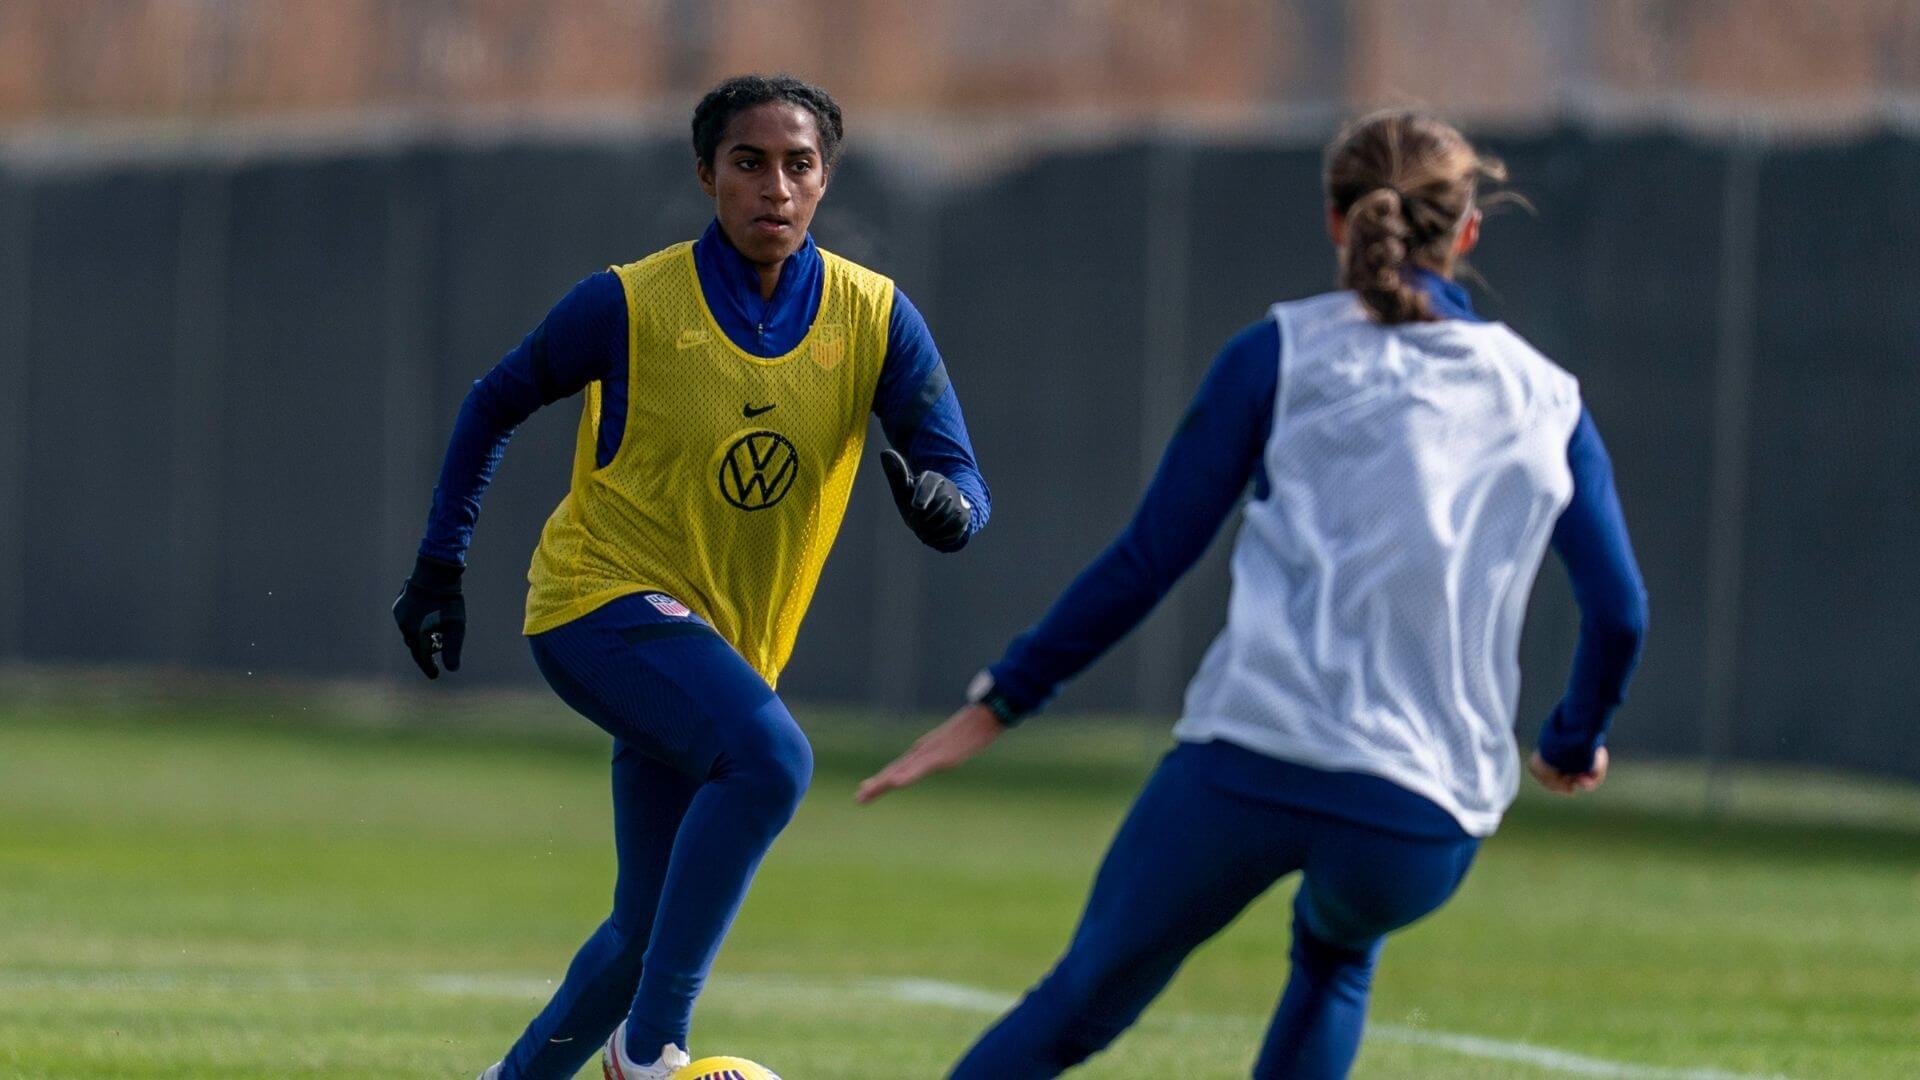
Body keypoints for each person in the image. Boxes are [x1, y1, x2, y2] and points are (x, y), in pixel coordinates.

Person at [857, 110, 1648, 1079]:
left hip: (1250, 766)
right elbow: (1619, 612)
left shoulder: (1280, 354)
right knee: (1336, 961)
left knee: (1077, 1007)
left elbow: (1149, 559)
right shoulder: (1547, 398)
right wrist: (1573, 739)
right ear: (1470, 230)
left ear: (1335, 219)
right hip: (1420, 810)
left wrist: (1002, 702)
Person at [390, 74, 991, 1080]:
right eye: (749, 163)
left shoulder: (877, 318)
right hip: (596, 599)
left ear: (825, 179)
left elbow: (962, 476)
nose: (775, 188)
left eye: (799, 165)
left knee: (640, 928)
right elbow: (493, 403)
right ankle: (653, 1049)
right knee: (773, 763)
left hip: (718, 646)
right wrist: (440, 564)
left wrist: (949, 511)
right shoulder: (628, 303)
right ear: (707, 173)